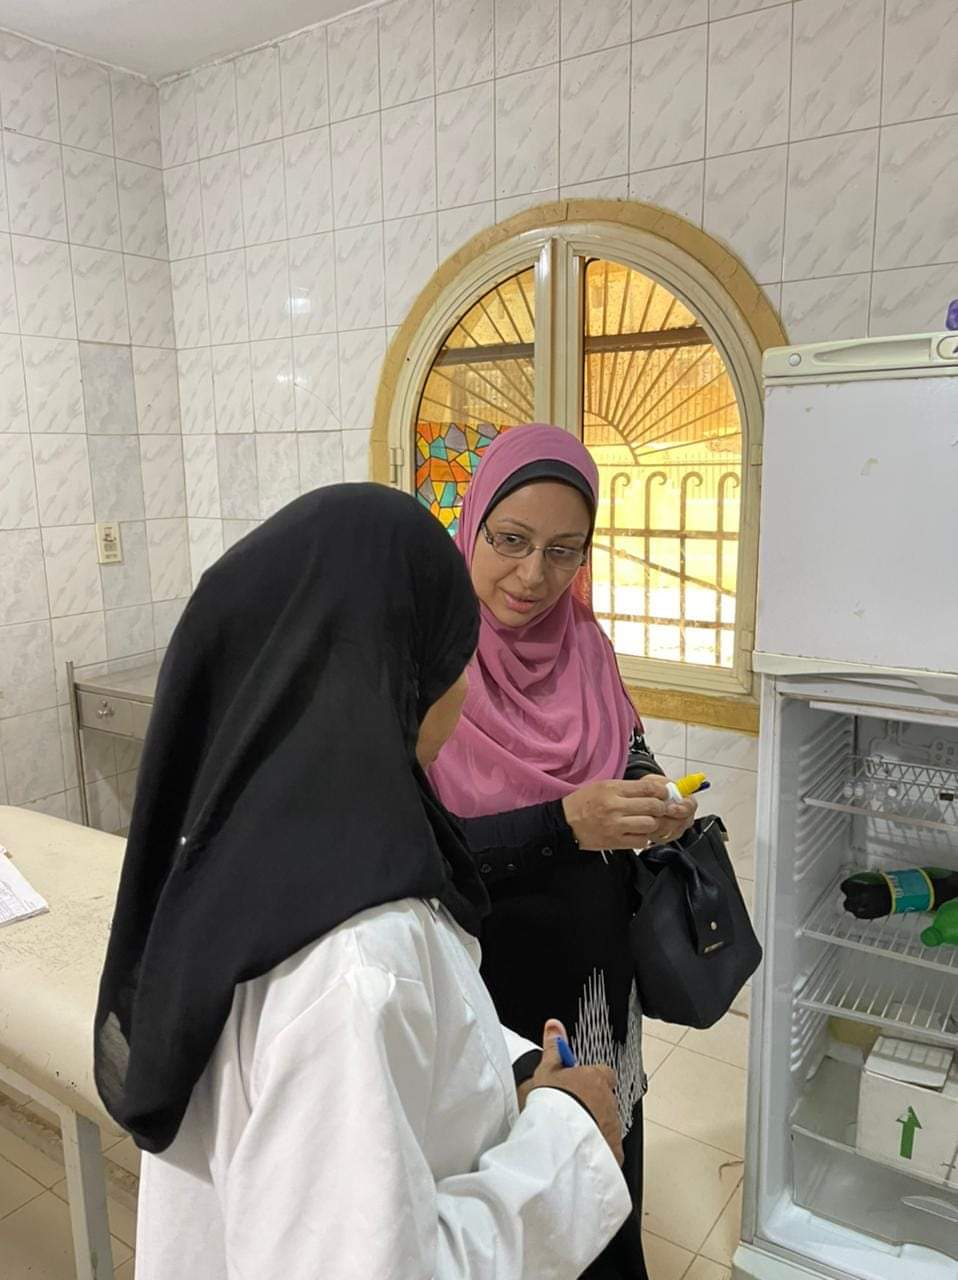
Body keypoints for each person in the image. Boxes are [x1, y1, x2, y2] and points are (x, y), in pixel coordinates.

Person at [94, 484, 634, 1280]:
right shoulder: (354, 958)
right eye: (452, 653)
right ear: (391, 670)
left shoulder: (248, 859)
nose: (465, 685)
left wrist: (507, 1087)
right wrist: (566, 1140)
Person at [430, 426, 698, 1280]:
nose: (533, 577)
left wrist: (657, 800)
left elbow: (630, 750)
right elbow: (419, 851)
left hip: (597, 981)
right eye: (511, 540)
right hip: (488, 986)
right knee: (512, 1203)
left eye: (563, 551)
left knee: (603, 1182)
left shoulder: (585, 643)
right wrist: (562, 822)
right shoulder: (428, 662)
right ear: (472, 525)